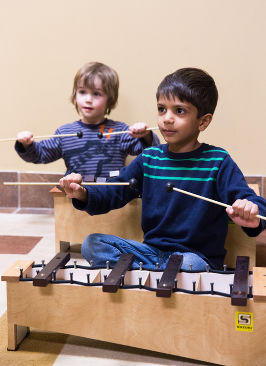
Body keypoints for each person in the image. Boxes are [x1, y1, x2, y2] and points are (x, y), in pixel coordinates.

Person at [59, 67, 266, 271]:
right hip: (151, 252)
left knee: (188, 264)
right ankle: (159, 271)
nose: (167, 118)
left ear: (203, 121)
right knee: (92, 244)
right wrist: (82, 193)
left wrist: (251, 210)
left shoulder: (218, 161)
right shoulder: (149, 158)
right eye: (161, 109)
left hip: (195, 257)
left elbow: (252, 201)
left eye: (179, 111)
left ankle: (150, 271)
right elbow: (114, 191)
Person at [15, 62, 160, 179]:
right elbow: (40, 155)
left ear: (110, 100)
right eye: (82, 92)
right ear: (75, 95)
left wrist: (145, 135)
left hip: (111, 195)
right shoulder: (65, 133)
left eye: (97, 94)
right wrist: (26, 145)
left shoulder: (119, 130)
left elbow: (148, 151)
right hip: (76, 195)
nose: (88, 99)